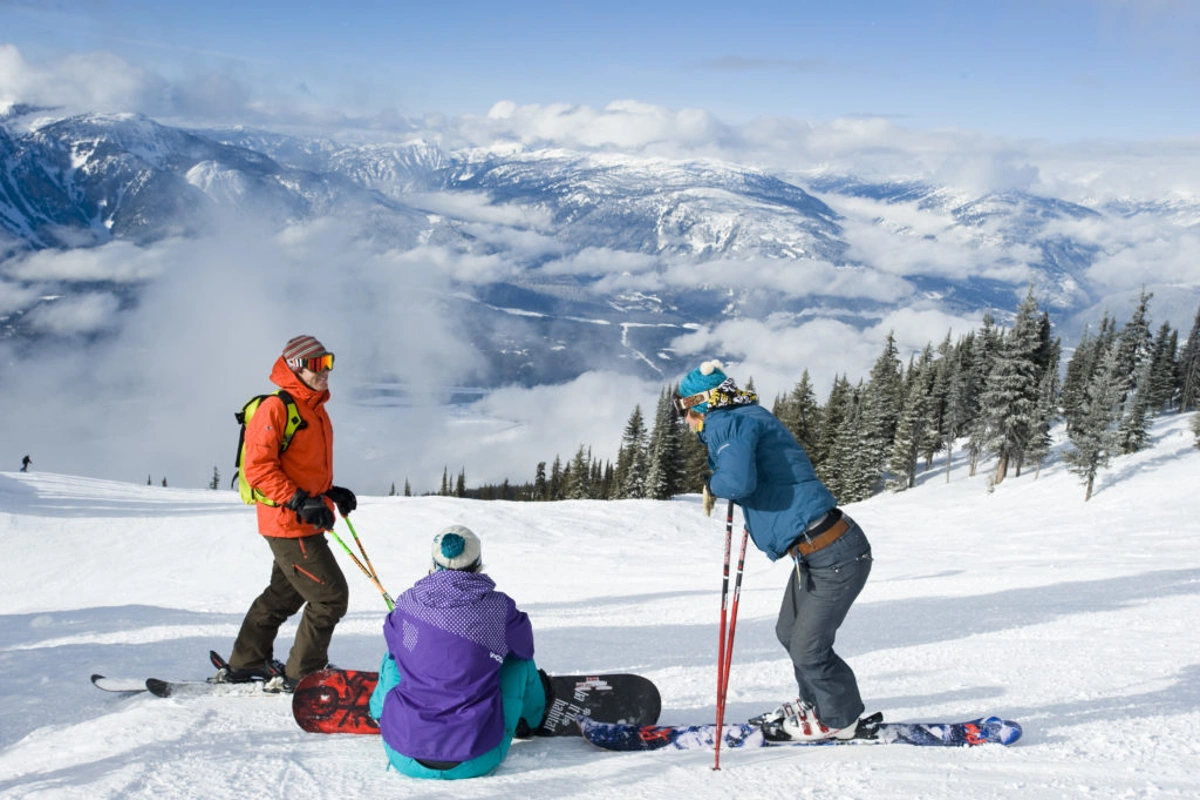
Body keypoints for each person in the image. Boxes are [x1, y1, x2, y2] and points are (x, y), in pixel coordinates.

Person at [674, 359, 872, 742]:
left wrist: (714, 483)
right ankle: (815, 704)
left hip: (834, 553)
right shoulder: (743, 415)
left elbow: (737, 480)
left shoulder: (725, 422)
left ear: (699, 403)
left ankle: (839, 719)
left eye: (684, 409)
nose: (684, 419)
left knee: (808, 647)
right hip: (817, 552)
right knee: (789, 632)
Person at [220, 335, 357, 693]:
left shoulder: (313, 407)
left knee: (283, 595)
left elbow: (300, 466)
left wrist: (329, 491)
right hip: (288, 523)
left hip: (303, 517)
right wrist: (298, 501)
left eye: (328, 362)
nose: (326, 371)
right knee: (329, 597)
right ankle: (303, 672)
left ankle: (246, 661)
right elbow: (259, 470)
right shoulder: (277, 408)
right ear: (296, 367)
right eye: (317, 364)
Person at [369, 525, 547, 780]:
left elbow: (393, 643)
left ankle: (378, 710)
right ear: (478, 563)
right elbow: (524, 649)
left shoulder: (407, 603)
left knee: (394, 657)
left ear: (432, 562)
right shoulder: (499, 608)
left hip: (402, 753)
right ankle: (532, 717)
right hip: (477, 757)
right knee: (517, 662)